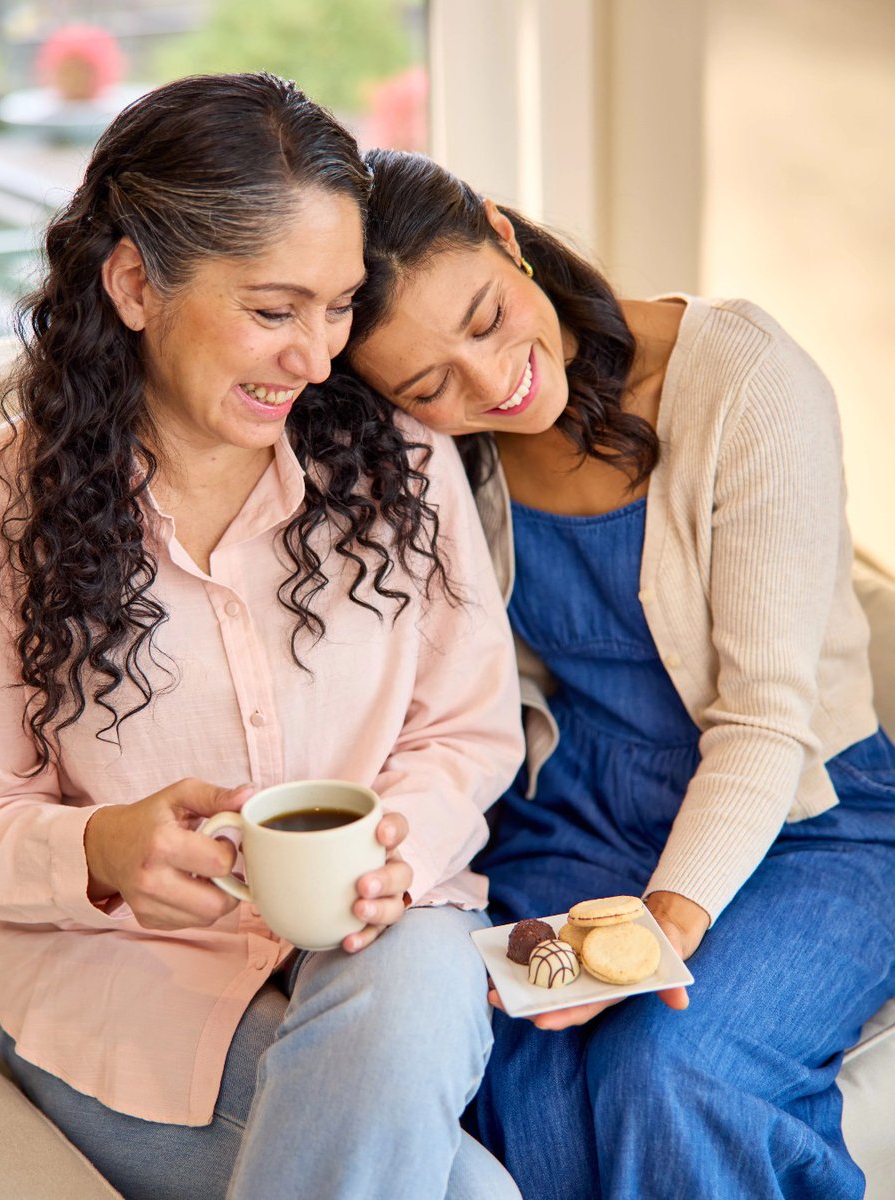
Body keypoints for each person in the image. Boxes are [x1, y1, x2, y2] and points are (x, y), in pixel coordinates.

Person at [0, 79, 527, 1200]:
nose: (316, 358)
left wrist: (400, 844)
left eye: (341, 307)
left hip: (383, 944)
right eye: (273, 310)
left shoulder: (399, 462)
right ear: (131, 284)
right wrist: (102, 849)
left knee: (408, 989)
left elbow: (468, 726)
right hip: (122, 987)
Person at [336, 147, 895, 1200]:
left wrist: (662, 928)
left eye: (488, 317)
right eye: (429, 385)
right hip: (574, 813)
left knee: (671, 1070)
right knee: (518, 1068)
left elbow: (766, 726)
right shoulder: (440, 451)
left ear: (506, 235)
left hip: (810, 817)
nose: (492, 381)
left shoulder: (743, 380)